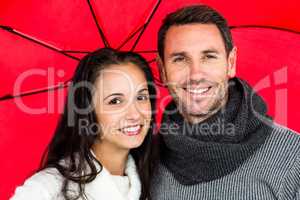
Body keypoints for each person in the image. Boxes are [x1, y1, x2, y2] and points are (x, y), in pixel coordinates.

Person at [150, 5, 300, 200]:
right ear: (162, 69)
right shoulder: (148, 159)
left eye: (209, 57)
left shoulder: (292, 155)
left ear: (230, 63)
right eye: (180, 59)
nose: (195, 74)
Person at [11, 48, 156, 200]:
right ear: (87, 110)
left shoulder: (157, 183)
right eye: (115, 101)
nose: (135, 114)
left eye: (141, 97)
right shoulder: (45, 190)